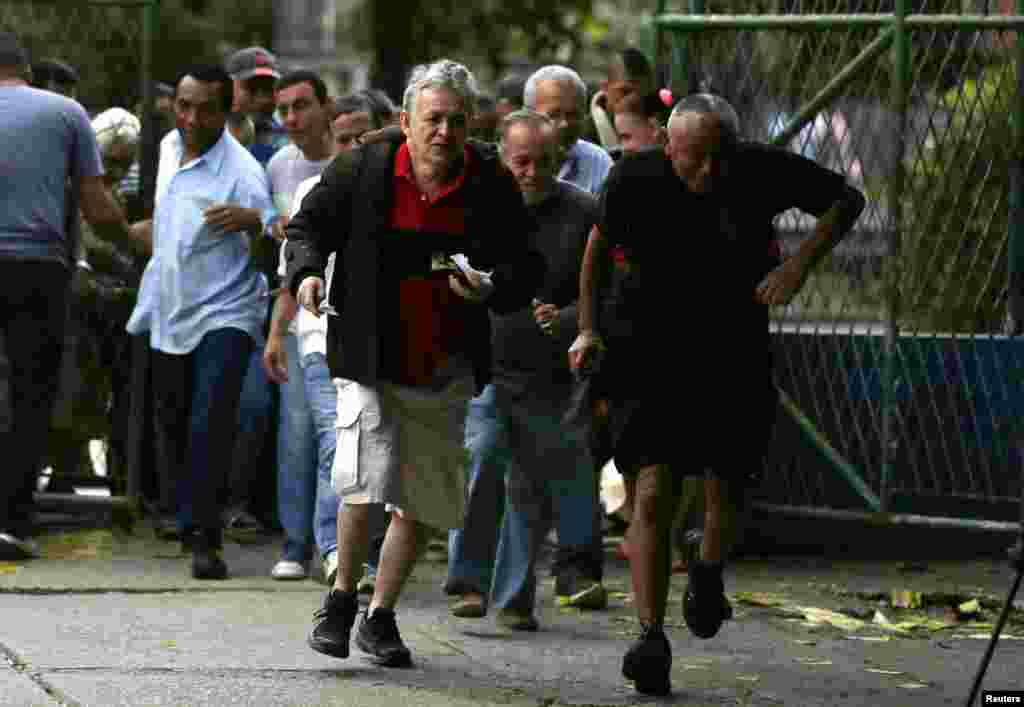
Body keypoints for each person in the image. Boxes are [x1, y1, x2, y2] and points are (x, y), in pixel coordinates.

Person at [570, 93, 865, 695]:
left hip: (731, 347)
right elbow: (598, 246)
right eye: (693, 159)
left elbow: (847, 199)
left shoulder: (760, 167)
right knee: (652, 489)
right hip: (647, 349)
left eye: (718, 158)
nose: (706, 172)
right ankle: (649, 635)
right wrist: (587, 327)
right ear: (668, 147)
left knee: (724, 481)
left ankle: (708, 570)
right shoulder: (636, 176)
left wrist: (799, 265)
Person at [286, 58, 544, 668]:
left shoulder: (488, 181)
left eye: (456, 121)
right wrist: (304, 276)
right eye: (433, 119)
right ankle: (341, 599)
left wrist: (491, 288)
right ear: (406, 121)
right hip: (370, 352)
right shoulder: (365, 168)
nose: (444, 133)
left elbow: (523, 266)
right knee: (365, 475)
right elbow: (307, 227)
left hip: (446, 360)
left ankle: (380, 616)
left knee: (424, 496)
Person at [446, 110, 605, 630]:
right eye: (521, 163)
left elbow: (604, 288)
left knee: (529, 485)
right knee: (483, 458)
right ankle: (468, 580)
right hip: (484, 362)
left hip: (548, 370)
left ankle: (514, 598)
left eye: (543, 163)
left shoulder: (581, 211)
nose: (531, 172)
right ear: (502, 156)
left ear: (559, 159)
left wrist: (567, 318)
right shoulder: (478, 205)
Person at [125, 63, 276, 580]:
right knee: (172, 420)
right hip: (170, 307)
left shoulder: (242, 172)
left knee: (209, 420)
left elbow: (281, 233)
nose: (190, 117)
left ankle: (207, 539)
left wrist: (253, 220)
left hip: (226, 311)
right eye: (182, 105)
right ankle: (185, 517)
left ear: (226, 110)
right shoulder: (167, 149)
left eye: (203, 108)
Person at [0, 32, 145, 559]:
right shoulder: (65, 115)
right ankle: (11, 522)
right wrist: (132, 239)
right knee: (30, 394)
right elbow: (97, 205)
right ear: (26, 71)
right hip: (38, 268)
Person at [257, 69, 338, 580]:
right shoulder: (280, 166)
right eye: (283, 108)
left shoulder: (346, 167)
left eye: (302, 105)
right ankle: (295, 544)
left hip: (338, 315)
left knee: (335, 436)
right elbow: (281, 247)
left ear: (326, 108)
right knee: (296, 436)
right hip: (293, 306)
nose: (291, 117)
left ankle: (334, 543)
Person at [524, 65, 612, 196]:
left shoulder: (599, 163)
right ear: (527, 114)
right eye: (554, 115)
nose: (565, 124)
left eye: (573, 115)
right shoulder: (507, 163)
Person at [226, 46, 288, 166]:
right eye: (252, 87)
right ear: (230, 87)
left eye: (268, 88)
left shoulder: (290, 135)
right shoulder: (207, 132)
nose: (262, 99)